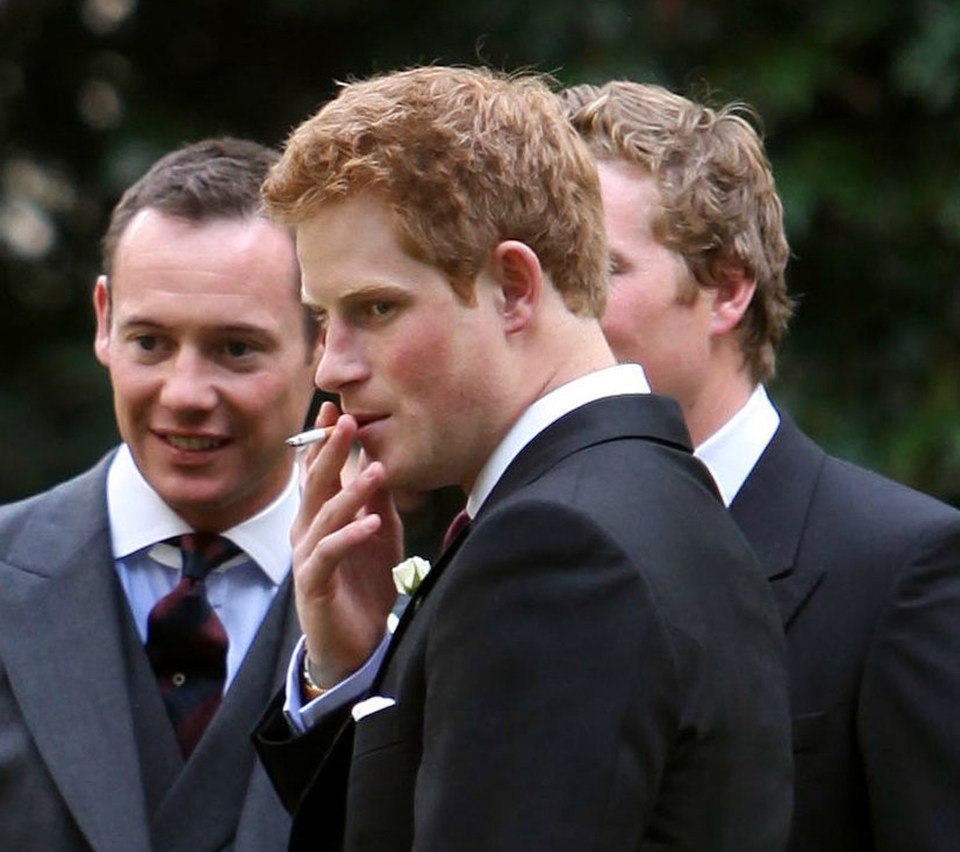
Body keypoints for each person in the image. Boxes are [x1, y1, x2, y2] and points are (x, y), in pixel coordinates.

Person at [252, 65, 792, 852]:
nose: (331, 367)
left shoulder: (558, 550)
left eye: (376, 308)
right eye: (321, 318)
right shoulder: (647, 495)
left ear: (513, 286)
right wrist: (356, 669)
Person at [560, 80, 960, 852]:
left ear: (727, 290)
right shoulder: (502, 540)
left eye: (595, 271)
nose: (549, 310)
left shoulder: (901, 568)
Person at [0, 137, 321, 852]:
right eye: (150, 342)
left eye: (236, 349)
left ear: (322, 339)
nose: (185, 394)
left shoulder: (408, 625)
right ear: (103, 320)